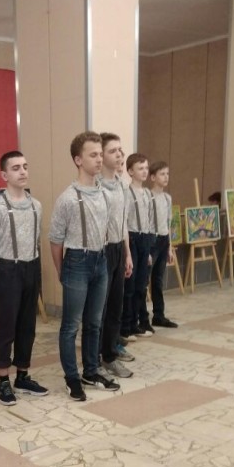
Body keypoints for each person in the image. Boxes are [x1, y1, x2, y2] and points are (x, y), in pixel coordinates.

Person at [50, 132, 120, 401]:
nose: (99, 159)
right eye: (93, 155)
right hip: (76, 261)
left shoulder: (104, 194)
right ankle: (72, 378)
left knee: (94, 322)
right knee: (71, 326)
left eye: (101, 154)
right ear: (78, 160)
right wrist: (62, 270)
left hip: (100, 259)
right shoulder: (67, 198)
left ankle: (91, 371)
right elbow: (55, 240)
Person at [0, 150, 49, 406]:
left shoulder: (36, 205)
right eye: (16, 168)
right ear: (4, 175)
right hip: (8, 269)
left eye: (25, 166)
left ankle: (23, 375)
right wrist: (4, 273)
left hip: (32, 267)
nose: (22, 172)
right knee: (7, 326)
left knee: (27, 325)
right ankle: (3, 380)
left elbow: (36, 240)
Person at [97, 132, 134, 379]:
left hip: (119, 248)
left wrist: (127, 254)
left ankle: (110, 355)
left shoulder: (122, 184)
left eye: (120, 150)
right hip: (101, 250)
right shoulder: (96, 186)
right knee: (98, 309)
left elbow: (123, 224)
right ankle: (94, 359)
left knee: (115, 306)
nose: (119, 154)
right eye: (113, 151)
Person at [120, 153, 155, 340]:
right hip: (132, 238)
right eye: (140, 168)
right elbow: (124, 222)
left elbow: (149, 220)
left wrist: (148, 250)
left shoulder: (148, 193)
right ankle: (126, 326)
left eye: (146, 168)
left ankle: (137, 323)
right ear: (130, 171)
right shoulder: (127, 193)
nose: (144, 171)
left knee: (141, 285)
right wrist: (127, 252)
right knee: (130, 285)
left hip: (145, 239)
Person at [147, 162, 178, 328]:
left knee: (158, 280)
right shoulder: (148, 197)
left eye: (167, 174)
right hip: (152, 240)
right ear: (153, 177)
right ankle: (140, 317)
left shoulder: (167, 198)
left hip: (164, 239)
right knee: (144, 281)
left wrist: (169, 247)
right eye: (162, 174)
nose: (166, 177)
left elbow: (168, 223)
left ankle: (159, 315)